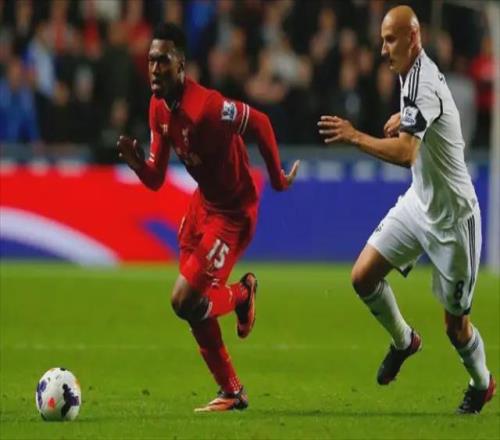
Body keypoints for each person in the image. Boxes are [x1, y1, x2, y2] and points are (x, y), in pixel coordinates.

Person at [318, 5, 495, 414]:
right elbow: (437, 108)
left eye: (390, 40)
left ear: (413, 38)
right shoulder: (412, 74)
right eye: (382, 40)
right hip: (420, 203)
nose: (383, 49)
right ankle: (404, 340)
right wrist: (409, 116)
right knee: (362, 277)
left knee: (455, 327)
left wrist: (355, 136)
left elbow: (405, 153)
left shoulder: (422, 80)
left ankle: (482, 382)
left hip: (454, 220)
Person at [117, 23, 299, 412]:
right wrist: (138, 165)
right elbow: (156, 178)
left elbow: (261, 123)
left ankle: (243, 293)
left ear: (181, 64)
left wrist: (277, 178)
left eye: (163, 60)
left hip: (233, 213)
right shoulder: (157, 108)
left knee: (184, 298)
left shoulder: (209, 107)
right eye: (151, 60)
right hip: (202, 207)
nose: (154, 68)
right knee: (190, 306)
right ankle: (231, 391)